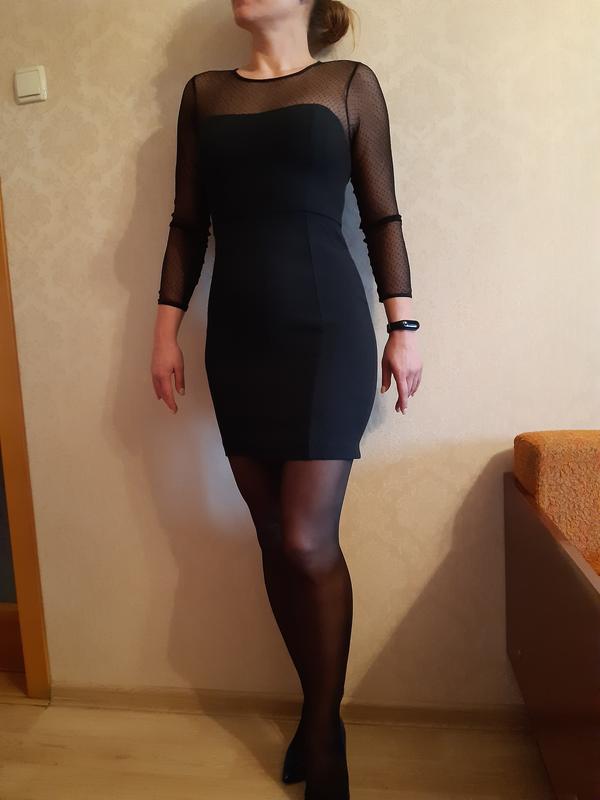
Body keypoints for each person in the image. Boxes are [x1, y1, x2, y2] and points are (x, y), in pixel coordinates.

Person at [150, 0, 423, 797]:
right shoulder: (204, 94)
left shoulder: (348, 86)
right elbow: (187, 224)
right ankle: (315, 709)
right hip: (237, 335)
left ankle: (326, 729)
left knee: (306, 540)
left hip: (327, 331)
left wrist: (403, 326)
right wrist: (164, 334)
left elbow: (381, 216)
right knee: (272, 535)